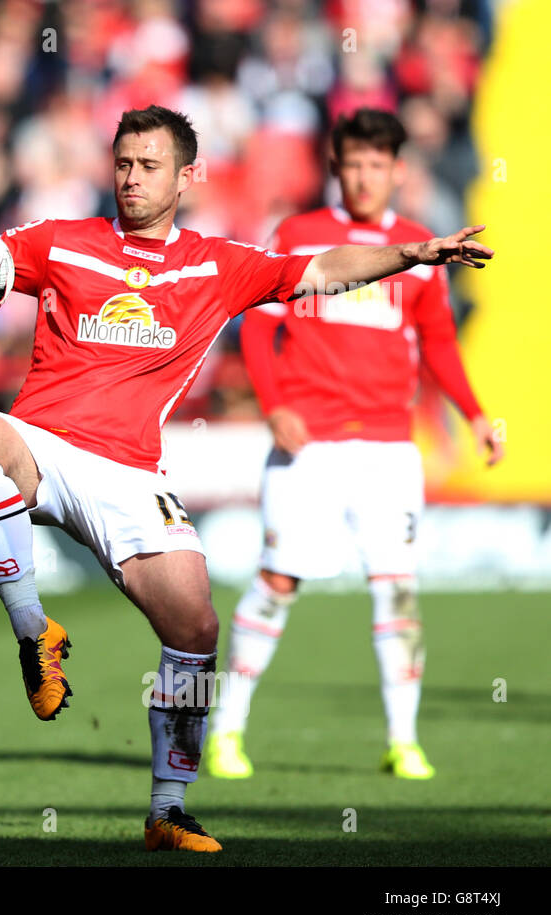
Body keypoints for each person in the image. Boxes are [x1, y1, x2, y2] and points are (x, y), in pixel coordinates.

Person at [0, 104, 493, 852]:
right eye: (123, 163)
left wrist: (415, 252)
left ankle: (168, 810)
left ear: (187, 176)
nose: (130, 179)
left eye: (148, 166)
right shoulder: (64, 243)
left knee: (196, 632)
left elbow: (322, 270)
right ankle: (35, 632)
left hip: (131, 471)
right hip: (39, 441)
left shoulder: (218, 264)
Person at [204, 109, 503, 782]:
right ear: (336, 167)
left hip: (390, 450)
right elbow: (257, 323)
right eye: (354, 163)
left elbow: (439, 341)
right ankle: (227, 731)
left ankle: (403, 741)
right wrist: (274, 404)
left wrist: (475, 414)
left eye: (378, 164)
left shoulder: (423, 247)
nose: (365, 176)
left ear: (398, 170)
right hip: (309, 443)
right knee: (279, 581)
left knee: (396, 591)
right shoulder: (300, 235)